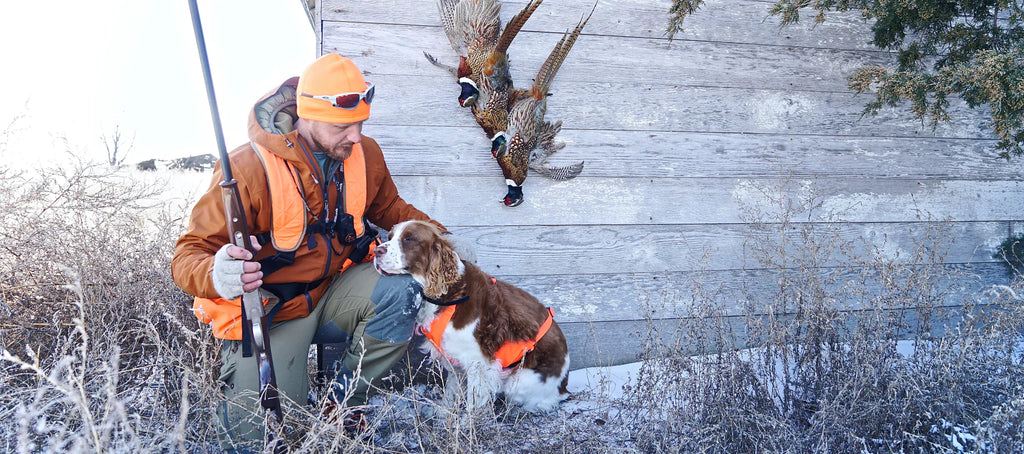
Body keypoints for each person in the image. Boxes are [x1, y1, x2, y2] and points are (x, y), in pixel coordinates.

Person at [171, 53, 466, 451]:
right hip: (276, 311)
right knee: (256, 438)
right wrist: (216, 274)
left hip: (335, 290)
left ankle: (343, 404)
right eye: (343, 126)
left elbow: (390, 209)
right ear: (306, 117)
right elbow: (189, 253)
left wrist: (443, 241)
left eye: (360, 123)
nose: (356, 136)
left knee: (403, 291)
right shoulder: (245, 168)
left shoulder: (365, 155)